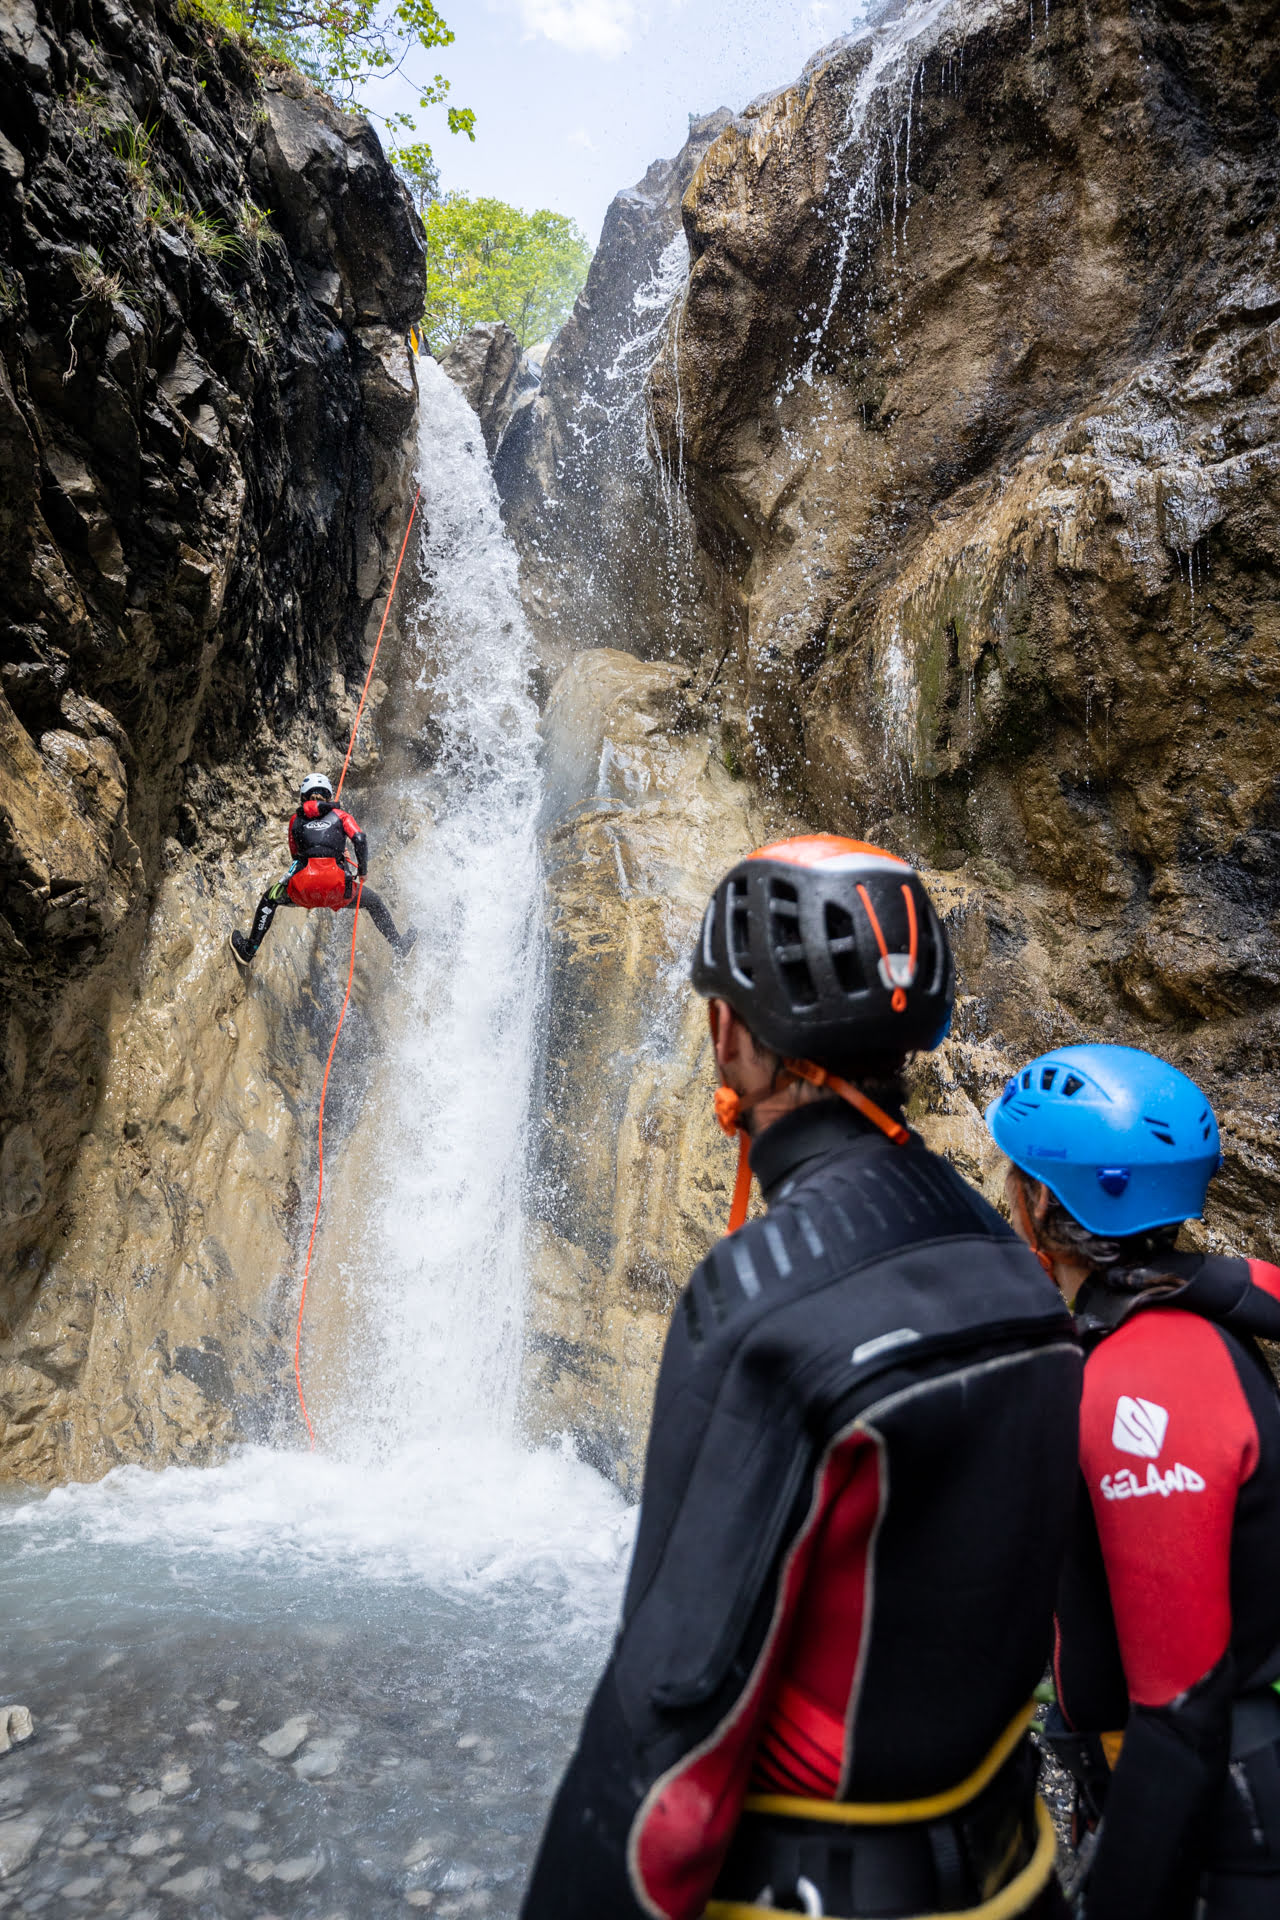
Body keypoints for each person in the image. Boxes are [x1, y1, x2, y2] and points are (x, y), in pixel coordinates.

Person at [520, 835, 1082, 1920]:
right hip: (1014, 1872)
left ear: (730, 1033)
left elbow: (672, 1714)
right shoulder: (1011, 1265)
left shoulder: (760, 1306)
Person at [986, 1043, 1280, 1919]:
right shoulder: (1162, 1312)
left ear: (1042, 1199)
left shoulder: (1144, 1383)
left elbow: (1181, 1717)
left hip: (1230, 1814)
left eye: (1016, 1179)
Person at [229, 773, 416, 966]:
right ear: (329, 796)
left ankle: (249, 950)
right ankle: (398, 945)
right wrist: (362, 870)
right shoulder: (341, 816)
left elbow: (295, 854)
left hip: (303, 889)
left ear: (303, 797)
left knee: (270, 900)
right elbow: (360, 838)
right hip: (339, 889)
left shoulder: (295, 820)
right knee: (374, 902)